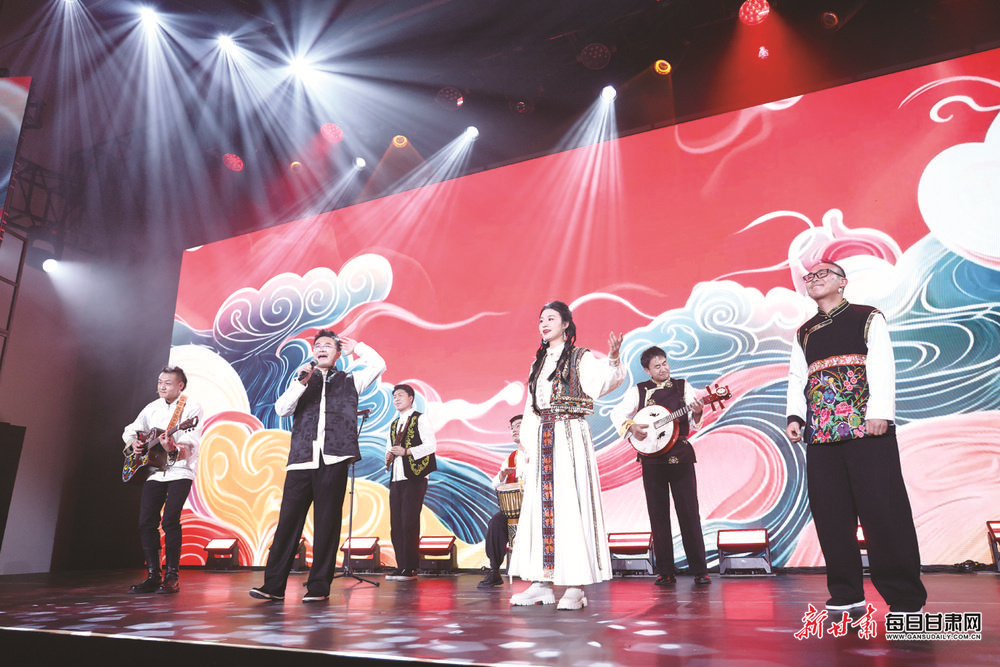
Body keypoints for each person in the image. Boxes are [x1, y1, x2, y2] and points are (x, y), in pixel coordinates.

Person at [786, 259, 927, 616]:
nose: (814, 279)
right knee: (831, 515)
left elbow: (882, 363)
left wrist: (880, 411)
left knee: (883, 511)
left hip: (867, 427)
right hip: (821, 433)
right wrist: (795, 417)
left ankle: (904, 597)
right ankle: (846, 592)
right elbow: (797, 377)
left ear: (842, 282)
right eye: (809, 276)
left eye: (822, 274)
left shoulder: (867, 317)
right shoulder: (804, 332)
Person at [250, 330, 385, 602]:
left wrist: (357, 347)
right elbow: (281, 409)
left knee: (327, 525)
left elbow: (378, 365)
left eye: (328, 346)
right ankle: (273, 586)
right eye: (318, 345)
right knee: (288, 524)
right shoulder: (301, 380)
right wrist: (300, 383)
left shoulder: (350, 380)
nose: (322, 349)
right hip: (301, 460)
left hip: (333, 460)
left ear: (338, 353)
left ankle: (319, 588)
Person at [509, 301, 625, 610]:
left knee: (570, 505)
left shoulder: (579, 357)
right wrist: (528, 449)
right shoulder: (538, 363)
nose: (544, 324)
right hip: (544, 437)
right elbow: (531, 409)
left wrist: (613, 359)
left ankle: (576, 586)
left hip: (570, 435)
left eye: (551, 318)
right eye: (541, 320)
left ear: (565, 324)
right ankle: (541, 582)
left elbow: (602, 383)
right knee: (540, 508)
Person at [609, 347, 711, 586]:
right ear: (647, 370)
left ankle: (700, 569)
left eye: (665, 363)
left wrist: (697, 412)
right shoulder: (639, 391)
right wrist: (631, 426)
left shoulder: (682, 387)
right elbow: (617, 413)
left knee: (689, 513)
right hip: (652, 460)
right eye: (657, 366)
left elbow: (695, 419)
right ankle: (665, 570)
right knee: (658, 515)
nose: (663, 368)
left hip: (680, 457)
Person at [122, 365, 203, 594]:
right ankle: (153, 575)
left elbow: (191, 442)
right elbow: (130, 430)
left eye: (167, 383)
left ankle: (172, 576)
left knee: (170, 520)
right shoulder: (152, 407)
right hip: (154, 472)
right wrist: (134, 442)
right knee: (146, 521)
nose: (162, 386)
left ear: (180, 385)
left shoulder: (192, 407)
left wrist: (173, 448)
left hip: (180, 471)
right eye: (160, 382)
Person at [384, 383, 437, 581]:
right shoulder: (394, 424)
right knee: (396, 524)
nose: (396, 399)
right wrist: (388, 455)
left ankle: (411, 567)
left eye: (400, 395)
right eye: (394, 396)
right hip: (397, 477)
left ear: (411, 398)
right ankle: (401, 566)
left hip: (415, 476)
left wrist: (407, 451)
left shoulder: (420, 418)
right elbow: (389, 447)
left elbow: (431, 445)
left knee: (409, 522)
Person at [478, 414, 525, 588]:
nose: (514, 430)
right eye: (512, 427)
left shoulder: (540, 453)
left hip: (539, 509)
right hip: (515, 510)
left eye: (519, 425)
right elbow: (495, 484)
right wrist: (503, 475)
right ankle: (494, 570)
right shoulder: (512, 457)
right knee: (496, 522)